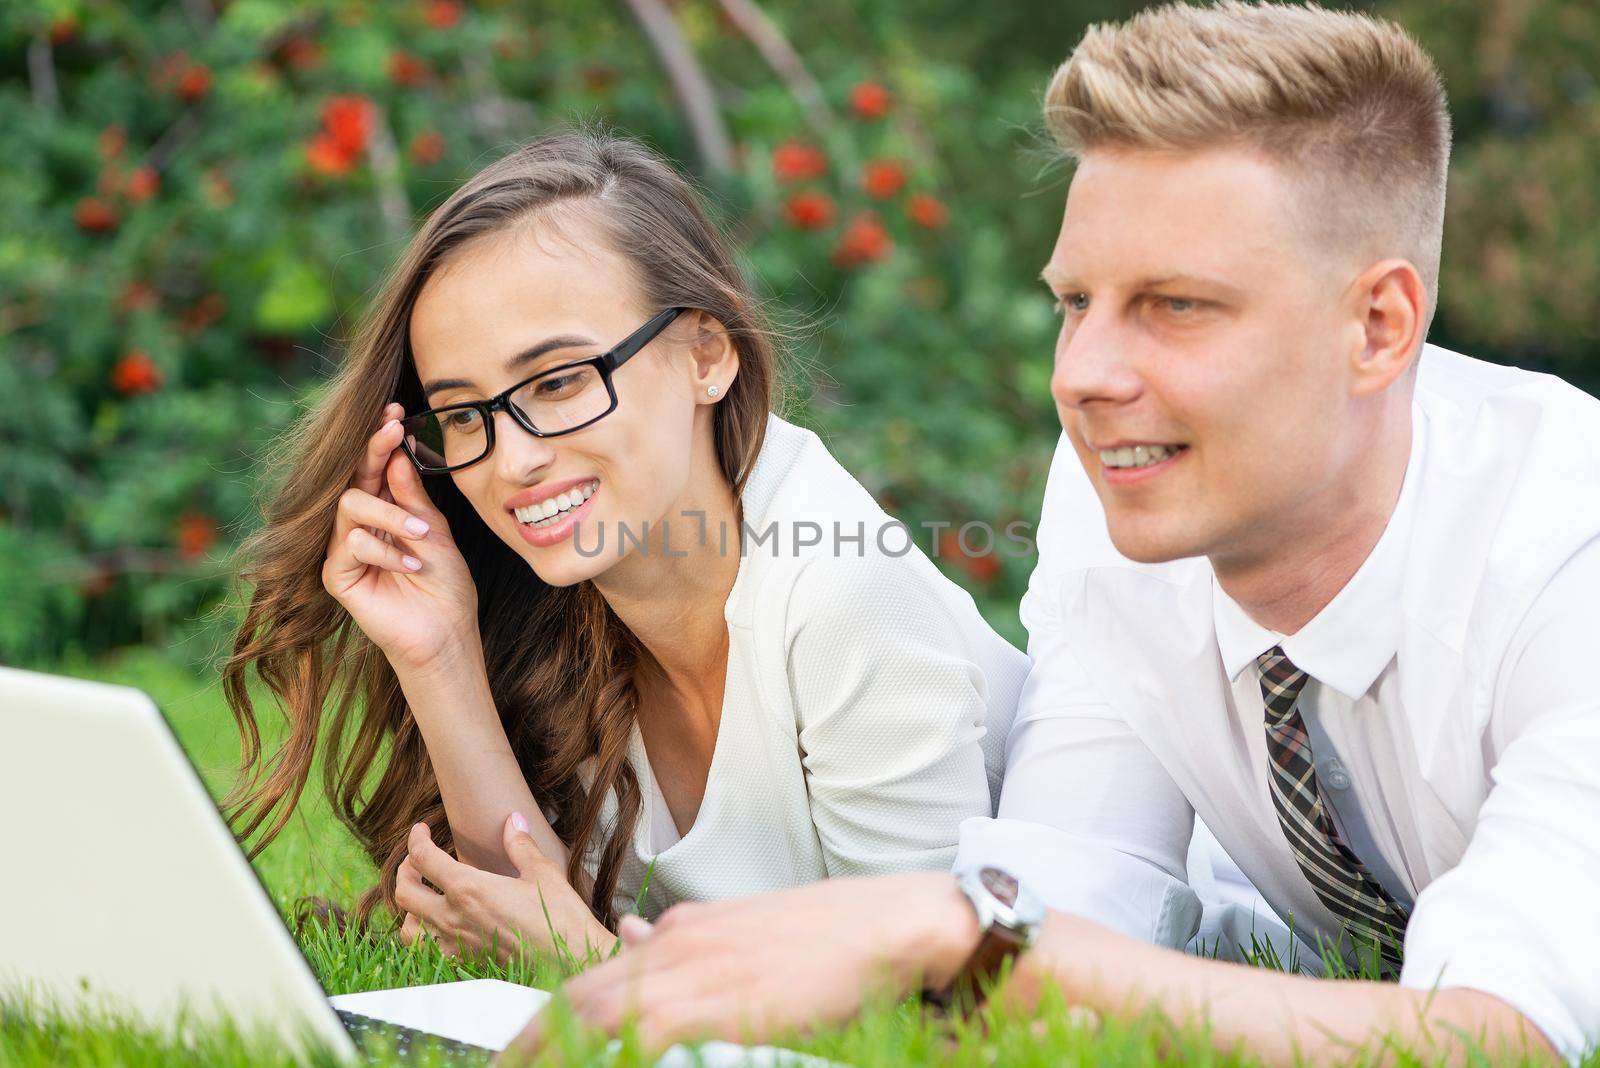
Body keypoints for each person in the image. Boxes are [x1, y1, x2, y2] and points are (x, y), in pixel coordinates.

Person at [504, 3, 1600, 1063]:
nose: (1079, 380)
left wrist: (952, 931)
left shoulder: (1566, 549)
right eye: (1076, 303)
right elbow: (1065, 895)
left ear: (1377, 326)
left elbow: (1497, 1035)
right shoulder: (1123, 496)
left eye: (1176, 305)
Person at [219, 130, 1026, 962]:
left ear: (706, 355)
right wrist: (441, 653)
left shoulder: (841, 589)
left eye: (561, 380)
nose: (514, 459)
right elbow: (521, 908)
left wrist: (594, 964)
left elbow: (931, 1008)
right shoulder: (574, 594)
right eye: (465, 415)